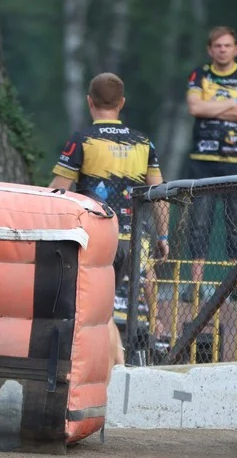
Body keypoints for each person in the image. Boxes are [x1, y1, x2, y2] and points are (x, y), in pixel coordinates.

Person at [49, 73, 170, 366]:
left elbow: (58, 191)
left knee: (95, 309)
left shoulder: (83, 140)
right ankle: (123, 363)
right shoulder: (143, 143)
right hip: (133, 239)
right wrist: (163, 237)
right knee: (118, 310)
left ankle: (107, 368)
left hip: (96, 239)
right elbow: (159, 194)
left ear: (90, 102)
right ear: (122, 103)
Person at [181, 26, 237, 303]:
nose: (223, 50)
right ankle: (194, 286)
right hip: (202, 160)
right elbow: (194, 108)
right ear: (210, 49)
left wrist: (212, 103)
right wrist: (232, 103)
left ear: (236, 48)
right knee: (199, 223)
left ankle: (235, 285)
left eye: (227, 45)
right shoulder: (200, 74)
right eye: (218, 46)